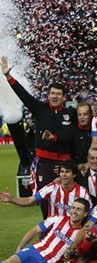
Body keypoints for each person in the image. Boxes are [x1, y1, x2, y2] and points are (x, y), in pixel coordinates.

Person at [2, 56, 77, 219]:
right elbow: (23, 95)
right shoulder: (40, 109)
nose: (55, 96)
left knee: (67, 199)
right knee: (45, 199)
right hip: (45, 164)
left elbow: (71, 134)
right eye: (52, 93)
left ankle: (67, 232)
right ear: (48, 95)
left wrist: (55, 137)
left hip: (66, 163)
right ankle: (47, 232)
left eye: (58, 94)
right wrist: (8, 76)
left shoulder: (70, 113)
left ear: (64, 97)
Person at [0, 198, 89, 263]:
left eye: (79, 209)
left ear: (85, 214)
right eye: (73, 208)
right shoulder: (58, 219)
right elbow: (35, 230)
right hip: (35, 250)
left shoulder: (82, 234)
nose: (74, 211)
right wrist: (19, 247)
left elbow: (81, 257)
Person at [0, 160, 90, 217]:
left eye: (67, 172)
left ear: (74, 174)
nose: (64, 175)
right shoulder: (52, 187)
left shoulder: (82, 192)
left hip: (71, 234)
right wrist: (11, 199)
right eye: (62, 172)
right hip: (51, 231)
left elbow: (88, 215)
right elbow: (29, 200)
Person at [72, 102, 93, 172]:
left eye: (85, 114)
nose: (82, 117)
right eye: (79, 115)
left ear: (90, 115)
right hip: (78, 170)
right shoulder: (72, 131)